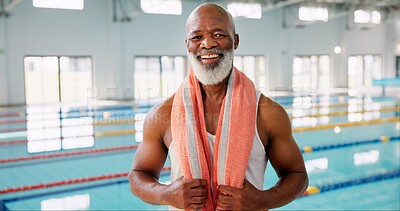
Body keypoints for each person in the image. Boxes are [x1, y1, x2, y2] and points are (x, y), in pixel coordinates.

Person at [129, 3, 308, 210]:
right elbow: (138, 175)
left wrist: (262, 200)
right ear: (187, 44)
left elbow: (297, 175)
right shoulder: (163, 114)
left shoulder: (267, 113)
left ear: (236, 41)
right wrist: (165, 193)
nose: (207, 44)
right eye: (197, 37)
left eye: (218, 34)